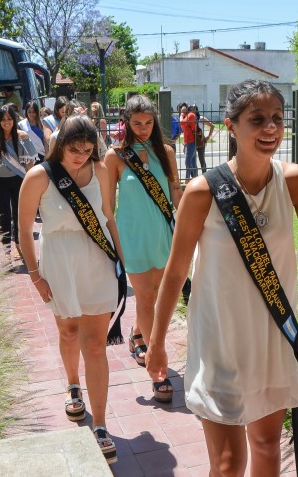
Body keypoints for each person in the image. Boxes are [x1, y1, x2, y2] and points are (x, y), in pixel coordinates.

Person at [146, 79, 298, 475]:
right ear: (231, 125)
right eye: (258, 119)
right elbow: (175, 273)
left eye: (277, 118)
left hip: (272, 336)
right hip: (220, 342)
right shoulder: (203, 191)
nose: (270, 128)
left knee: (268, 446)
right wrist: (156, 344)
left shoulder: (295, 181)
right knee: (227, 464)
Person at [18, 114, 121, 464]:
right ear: (61, 144)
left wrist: (123, 264)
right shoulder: (39, 177)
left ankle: (102, 425)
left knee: (95, 344)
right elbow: (23, 232)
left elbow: (108, 217)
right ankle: (72, 383)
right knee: (69, 330)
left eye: (88, 149)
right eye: (74, 148)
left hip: (96, 260)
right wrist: (35, 276)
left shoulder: (102, 171)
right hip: (59, 262)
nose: (81, 155)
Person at [104, 95, 182, 402]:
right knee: (147, 296)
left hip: (162, 233)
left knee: (160, 296)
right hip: (132, 236)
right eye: (137, 123)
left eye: (148, 123)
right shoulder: (115, 156)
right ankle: (157, 369)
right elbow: (108, 204)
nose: (144, 128)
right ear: (126, 122)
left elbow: (176, 190)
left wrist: (190, 221)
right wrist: (110, 240)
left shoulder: (167, 152)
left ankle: (138, 334)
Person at [0, 104, 37, 259]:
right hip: (0, 183)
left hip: (19, 180)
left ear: (14, 120)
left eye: (9, 119)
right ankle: (6, 250)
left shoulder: (23, 136)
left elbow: (30, 161)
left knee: (19, 215)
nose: (6, 122)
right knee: (4, 216)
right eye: (3, 119)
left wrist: (31, 180)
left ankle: (19, 245)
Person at [189, 104, 215, 174]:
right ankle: (194, 175)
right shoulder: (189, 119)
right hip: (191, 141)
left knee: (201, 159)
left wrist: (208, 136)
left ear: (196, 110)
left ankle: (204, 175)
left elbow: (212, 125)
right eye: (191, 109)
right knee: (192, 160)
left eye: (194, 109)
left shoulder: (201, 118)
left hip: (200, 141)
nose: (192, 110)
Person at [181, 104, 198, 179]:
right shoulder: (186, 117)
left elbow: (181, 123)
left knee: (187, 162)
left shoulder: (191, 115)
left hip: (191, 142)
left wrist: (181, 115)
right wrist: (185, 145)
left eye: (184, 110)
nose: (183, 111)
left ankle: (187, 179)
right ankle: (195, 178)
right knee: (192, 162)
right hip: (188, 142)